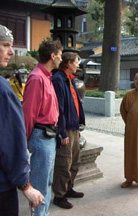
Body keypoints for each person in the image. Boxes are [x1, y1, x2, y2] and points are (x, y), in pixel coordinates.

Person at [0, 24, 44, 216]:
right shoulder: (3, 90)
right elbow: (10, 142)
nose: (11, 52)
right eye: (5, 45)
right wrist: (25, 184)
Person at [22, 40, 62, 216]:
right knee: (39, 184)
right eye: (59, 55)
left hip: (49, 135)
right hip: (41, 135)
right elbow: (28, 113)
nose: (61, 58)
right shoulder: (37, 77)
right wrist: (25, 141)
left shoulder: (47, 77)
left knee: (47, 182)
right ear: (53, 56)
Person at [52, 52, 85, 209]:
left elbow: (74, 105)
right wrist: (62, 132)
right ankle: (59, 195)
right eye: (76, 62)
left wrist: (77, 126)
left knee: (75, 161)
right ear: (68, 63)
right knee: (64, 163)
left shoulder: (69, 80)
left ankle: (68, 188)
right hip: (65, 128)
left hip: (73, 127)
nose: (78, 65)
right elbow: (59, 109)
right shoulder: (58, 80)